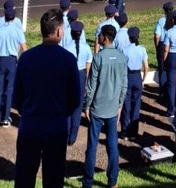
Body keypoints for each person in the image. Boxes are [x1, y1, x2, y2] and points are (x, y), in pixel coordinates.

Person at [12, 8, 81, 188]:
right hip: (56, 128)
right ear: (59, 31)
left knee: (24, 179)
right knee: (53, 180)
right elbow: (74, 99)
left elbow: (17, 97)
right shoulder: (68, 60)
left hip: (30, 126)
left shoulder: (26, 58)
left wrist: (28, 112)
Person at [82, 23, 128, 188]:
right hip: (113, 109)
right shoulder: (122, 57)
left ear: (105, 38)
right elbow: (124, 85)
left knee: (92, 147)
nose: (99, 37)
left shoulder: (99, 58)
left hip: (97, 108)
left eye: (100, 35)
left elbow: (92, 85)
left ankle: (87, 182)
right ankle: (113, 181)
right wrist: (120, 106)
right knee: (112, 145)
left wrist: (87, 106)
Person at [0, 0, 27, 128]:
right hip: (12, 60)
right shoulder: (17, 30)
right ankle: (6, 117)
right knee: (9, 89)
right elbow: (24, 49)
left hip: (0, 60)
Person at [64, 20, 92, 147]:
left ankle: (66, 132)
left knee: (68, 105)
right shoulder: (86, 47)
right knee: (78, 106)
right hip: (81, 76)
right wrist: (86, 82)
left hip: (69, 75)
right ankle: (73, 137)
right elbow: (88, 67)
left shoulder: (67, 48)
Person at [121, 26, 149, 140]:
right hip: (137, 77)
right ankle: (134, 133)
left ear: (129, 38)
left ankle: (125, 132)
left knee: (126, 106)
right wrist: (143, 80)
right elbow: (146, 67)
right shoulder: (142, 49)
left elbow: (122, 67)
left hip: (128, 76)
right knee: (136, 106)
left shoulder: (124, 50)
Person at [154, 1, 175, 89]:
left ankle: (162, 89)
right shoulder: (175, 19)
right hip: (173, 46)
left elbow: (156, 36)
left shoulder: (161, 20)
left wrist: (157, 46)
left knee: (162, 68)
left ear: (164, 11)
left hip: (162, 46)